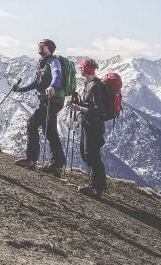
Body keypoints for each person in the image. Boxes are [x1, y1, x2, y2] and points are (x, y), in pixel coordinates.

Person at [12, 39, 66, 174]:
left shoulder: (53, 61)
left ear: (50, 49)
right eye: (39, 45)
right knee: (50, 131)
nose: (40, 47)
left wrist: (52, 86)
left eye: (43, 45)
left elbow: (57, 74)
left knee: (32, 124)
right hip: (51, 101)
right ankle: (57, 164)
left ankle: (31, 160)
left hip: (52, 101)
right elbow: (36, 83)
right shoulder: (42, 63)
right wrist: (20, 89)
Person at [66, 58, 108, 197]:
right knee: (86, 154)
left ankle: (96, 187)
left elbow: (98, 109)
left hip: (94, 127)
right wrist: (78, 104)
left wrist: (79, 108)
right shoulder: (88, 83)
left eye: (81, 67)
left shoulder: (95, 86)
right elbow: (89, 104)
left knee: (92, 155)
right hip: (88, 125)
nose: (80, 69)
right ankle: (95, 183)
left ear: (86, 69)